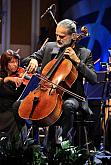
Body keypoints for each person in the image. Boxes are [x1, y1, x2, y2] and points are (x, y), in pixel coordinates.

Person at [21, 19, 97, 157]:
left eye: (62, 36)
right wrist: (33, 59)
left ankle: (65, 147)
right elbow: (25, 60)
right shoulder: (50, 46)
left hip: (73, 97)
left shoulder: (84, 53)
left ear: (74, 36)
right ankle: (23, 147)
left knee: (67, 105)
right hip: (48, 93)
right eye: (57, 35)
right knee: (17, 106)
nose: (58, 39)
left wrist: (78, 62)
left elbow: (94, 79)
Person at [0, 49, 26, 155]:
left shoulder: (20, 75)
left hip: (13, 109)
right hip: (2, 111)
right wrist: (8, 79)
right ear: (5, 64)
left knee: (18, 116)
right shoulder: (2, 75)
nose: (15, 65)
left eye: (17, 61)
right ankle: (14, 150)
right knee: (16, 118)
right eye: (11, 62)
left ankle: (17, 150)